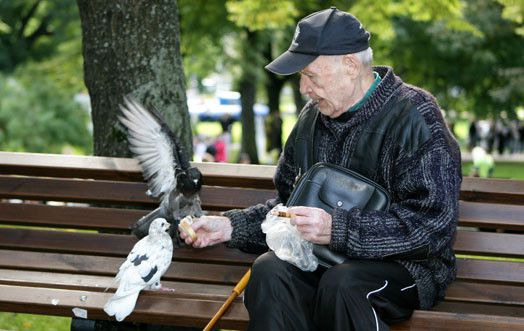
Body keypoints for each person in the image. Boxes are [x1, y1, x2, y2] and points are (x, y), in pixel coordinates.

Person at [180, 7, 462, 331]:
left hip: (406, 269)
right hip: (321, 261)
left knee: (345, 285)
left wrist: (339, 230)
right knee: (270, 272)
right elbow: (288, 207)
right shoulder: (311, 119)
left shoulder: (415, 116)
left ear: (351, 66)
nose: (303, 88)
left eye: (310, 75)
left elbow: (433, 225)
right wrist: (230, 227)